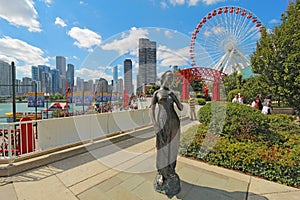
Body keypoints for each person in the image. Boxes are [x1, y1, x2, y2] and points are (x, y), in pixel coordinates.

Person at [150, 70, 183, 196]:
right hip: (162, 122)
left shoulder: (172, 93)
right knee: (162, 149)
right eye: (168, 77)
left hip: (173, 123)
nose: (170, 80)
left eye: (171, 78)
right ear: (163, 78)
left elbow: (180, 108)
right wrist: (154, 124)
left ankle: (171, 170)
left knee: (172, 148)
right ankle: (162, 173)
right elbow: (151, 109)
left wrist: (175, 97)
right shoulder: (157, 93)